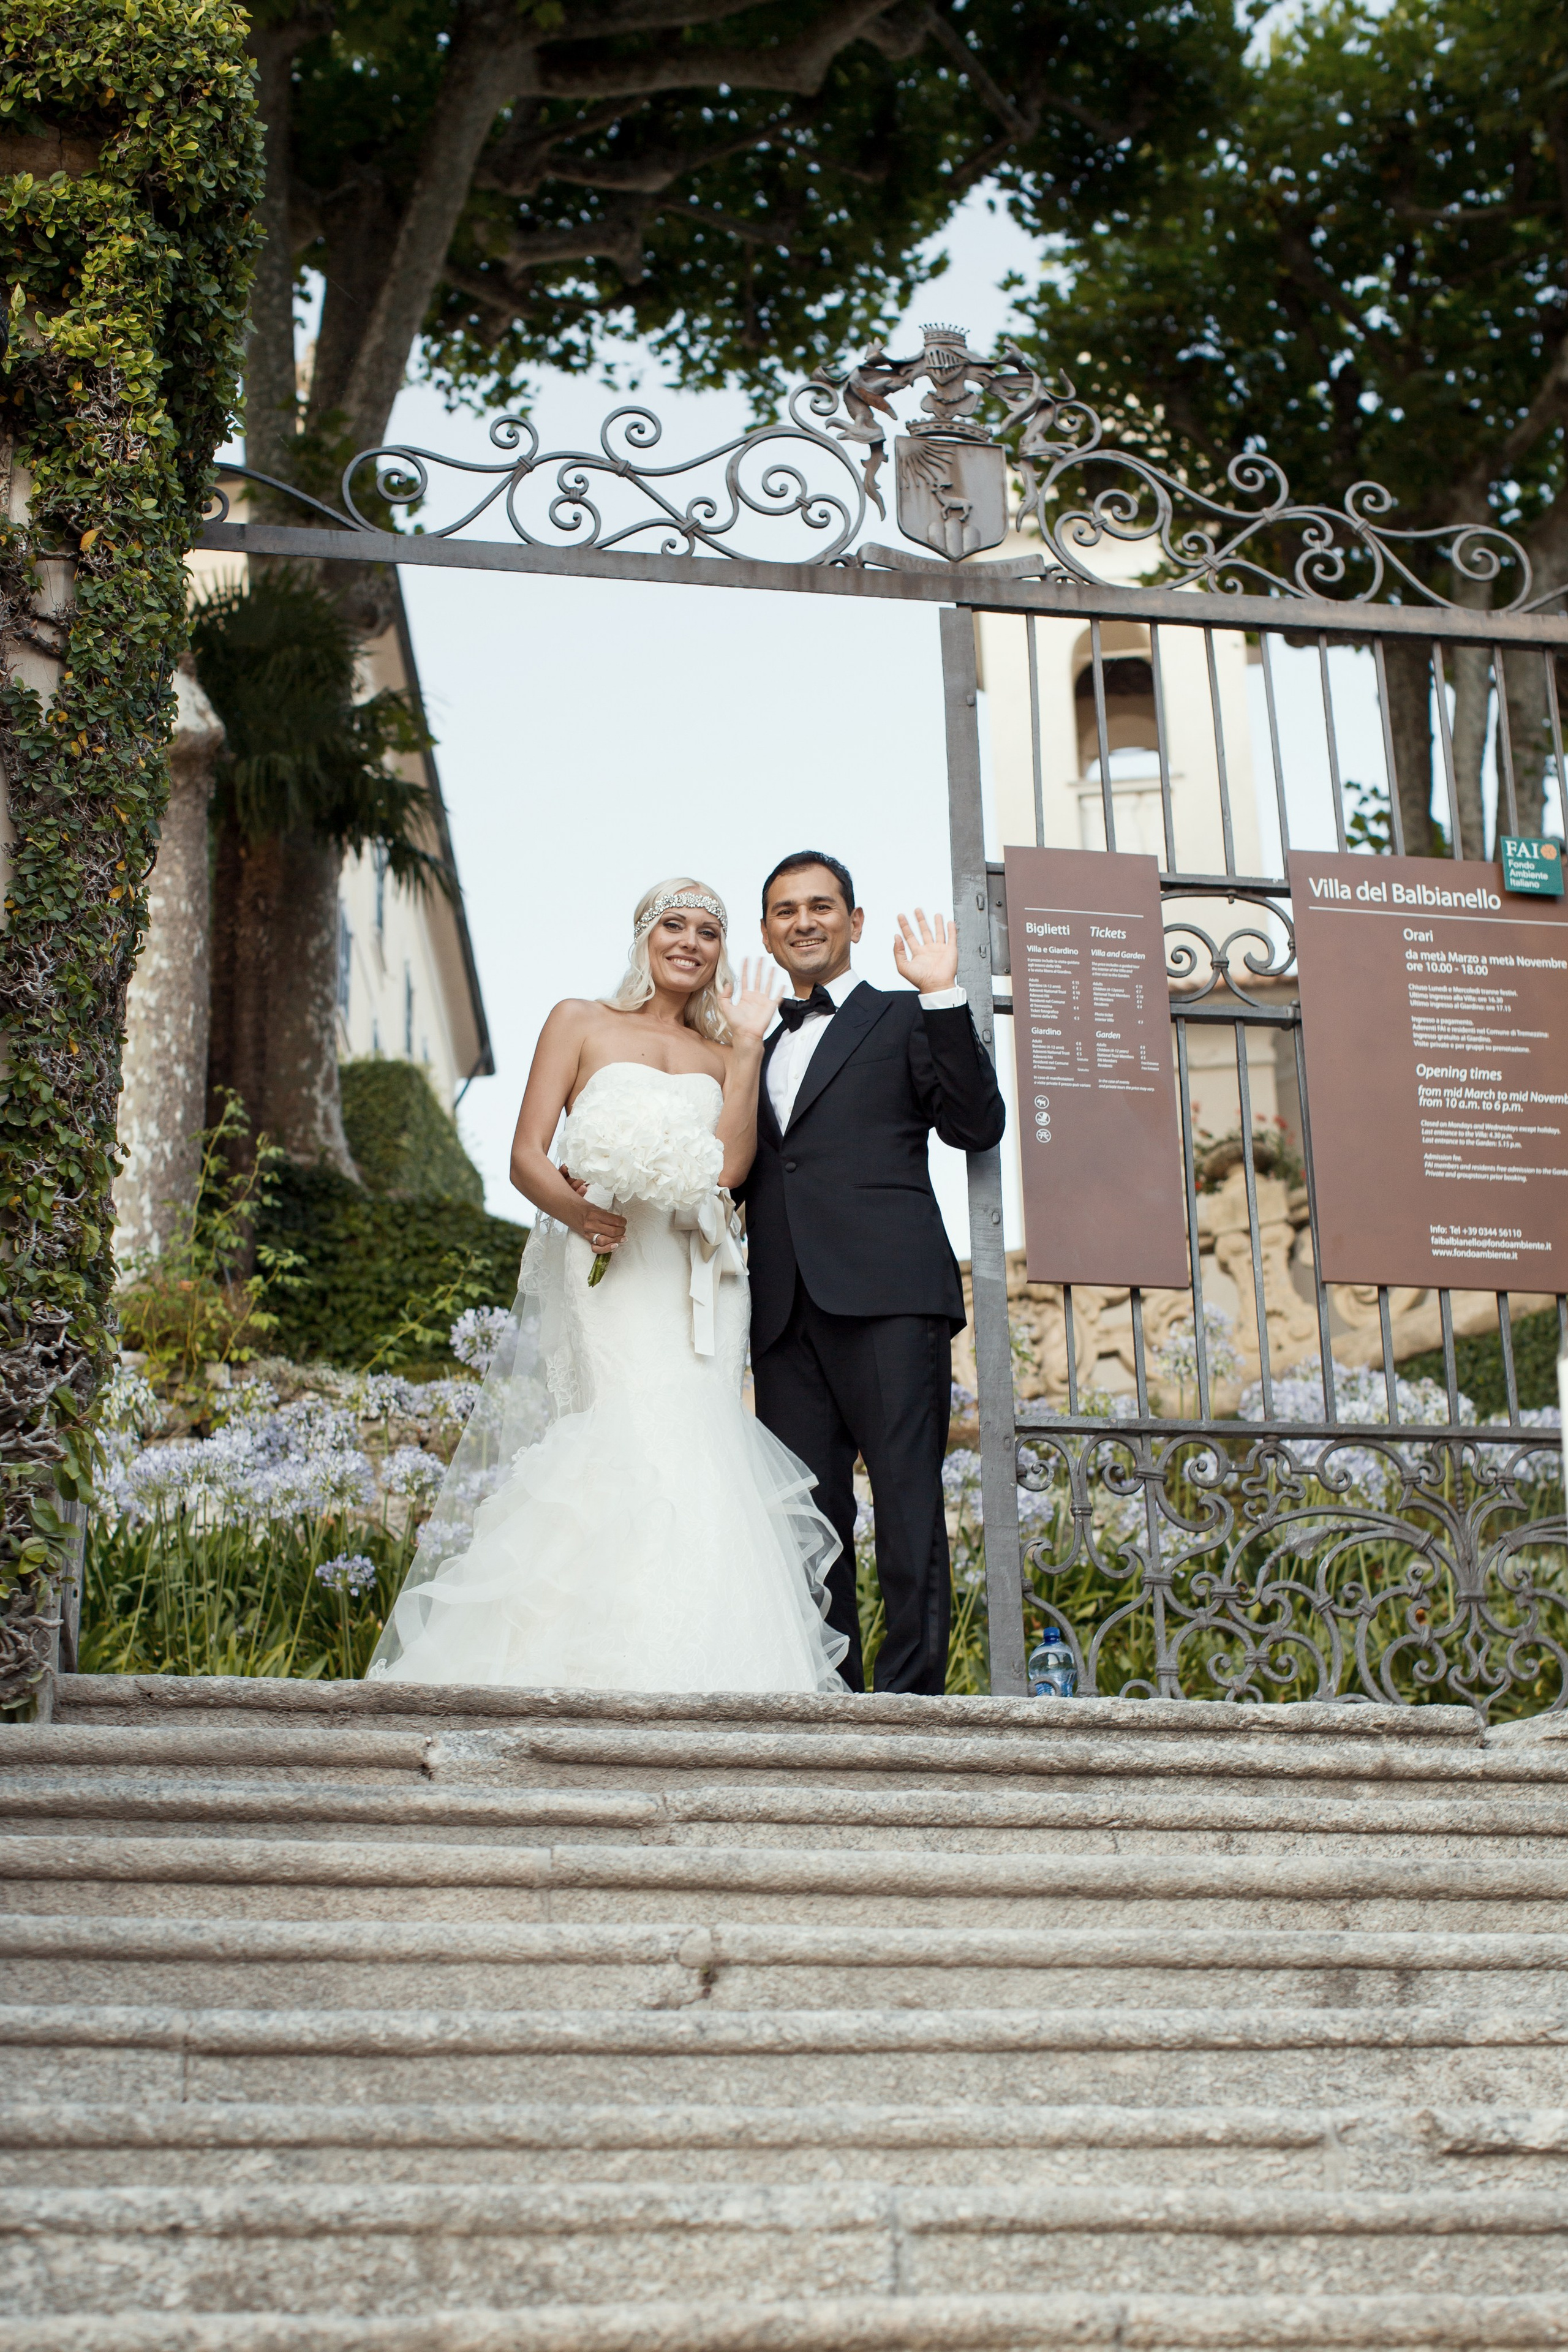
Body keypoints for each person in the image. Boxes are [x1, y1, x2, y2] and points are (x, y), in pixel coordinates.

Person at [367, 878, 848, 1694]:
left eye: (707, 931)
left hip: (699, 1277)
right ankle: (585, 1652)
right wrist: (579, 1215)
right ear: (644, 936)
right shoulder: (579, 1022)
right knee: (625, 1429)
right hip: (611, 1264)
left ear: (719, 953)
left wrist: (744, 1054)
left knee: (703, 1443)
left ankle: (711, 1664)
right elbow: (526, 1153)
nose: (689, 942)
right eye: (674, 925)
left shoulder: (726, 1046)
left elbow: (730, 1168)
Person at [738, 853, 1007, 1695]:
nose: (804, 921)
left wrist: (942, 995)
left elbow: (975, 1125)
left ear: (855, 922)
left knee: (907, 1505)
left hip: (890, 1296)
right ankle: (833, 1698)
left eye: (822, 906)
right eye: (785, 911)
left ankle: (913, 1701)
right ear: (766, 933)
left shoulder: (901, 1017)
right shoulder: (752, 1038)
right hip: (783, 1312)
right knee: (808, 1525)